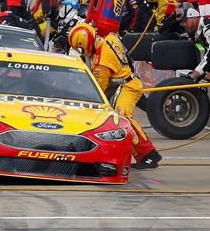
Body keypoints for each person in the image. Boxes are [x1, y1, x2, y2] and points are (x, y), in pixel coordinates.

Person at [68, 22, 161, 169]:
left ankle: (149, 154)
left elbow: (99, 89)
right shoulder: (109, 38)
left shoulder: (101, 62)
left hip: (127, 86)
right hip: (128, 81)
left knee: (123, 118)